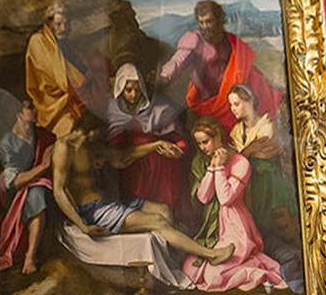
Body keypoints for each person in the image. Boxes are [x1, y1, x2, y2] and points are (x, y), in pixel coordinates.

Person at [51, 113, 235, 266]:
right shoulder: (64, 147)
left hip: (108, 201)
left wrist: (156, 145)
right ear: (90, 130)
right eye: (103, 132)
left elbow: (122, 157)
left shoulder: (91, 146)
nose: (105, 137)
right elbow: (59, 191)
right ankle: (211, 255)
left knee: (163, 210)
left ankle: (177, 258)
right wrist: (83, 226)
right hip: (92, 210)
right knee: (158, 221)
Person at [183, 116, 288, 293]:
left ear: (218, 136)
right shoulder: (210, 160)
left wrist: (219, 168)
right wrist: (212, 168)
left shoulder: (240, 162)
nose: (202, 148)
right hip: (215, 225)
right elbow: (204, 198)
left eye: (205, 142)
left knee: (215, 275)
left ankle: (256, 273)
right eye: (199, 144)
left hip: (235, 225)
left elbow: (226, 199)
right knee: (190, 267)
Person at [158, 0, 284, 132]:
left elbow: (242, 65)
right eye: (201, 22)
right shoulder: (194, 39)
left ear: (219, 21)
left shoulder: (229, 40)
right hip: (207, 102)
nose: (205, 27)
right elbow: (178, 60)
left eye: (209, 21)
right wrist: (165, 76)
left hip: (230, 99)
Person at [106, 63, 190, 214]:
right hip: (134, 173)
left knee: (164, 211)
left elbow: (180, 140)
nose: (133, 95)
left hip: (162, 172)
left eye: (137, 90)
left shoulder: (158, 109)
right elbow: (117, 153)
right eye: (129, 90)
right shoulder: (114, 113)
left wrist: (178, 150)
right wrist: (153, 146)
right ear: (120, 89)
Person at [226, 83, 300, 243]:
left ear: (250, 101)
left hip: (267, 185)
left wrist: (243, 155)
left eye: (236, 104)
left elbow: (262, 157)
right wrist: (248, 151)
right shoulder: (236, 131)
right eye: (231, 105)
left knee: (273, 228)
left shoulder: (267, 127)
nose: (233, 109)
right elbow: (236, 161)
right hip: (247, 185)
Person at [0, 99, 54, 274]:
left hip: (46, 184)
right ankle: (30, 256)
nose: (35, 111)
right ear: (18, 115)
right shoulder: (6, 143)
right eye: (30, 108)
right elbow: (14, 182)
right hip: (16, 194)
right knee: (36, 194)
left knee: (40, 191)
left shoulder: (43, 136)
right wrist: (43, 166)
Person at [25, 2, 89, 138]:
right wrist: (80, 84)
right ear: (49, 23)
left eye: (67, 24)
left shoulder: (66, 45)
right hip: (53, 105)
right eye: (58, 24)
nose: (64, 29)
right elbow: (59, 82)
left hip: (73, 99)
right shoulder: (38, 41)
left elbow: (82, 71)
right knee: (74, 132)